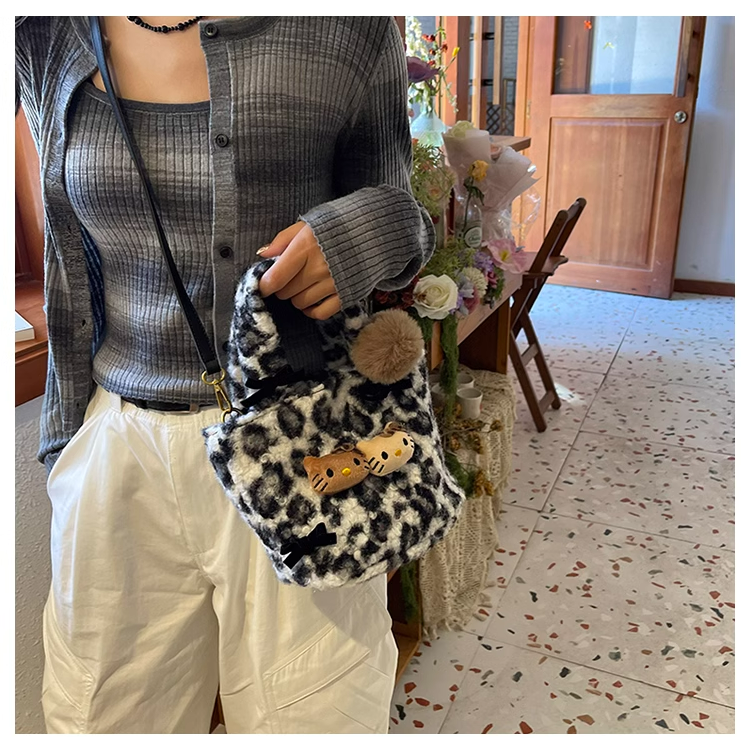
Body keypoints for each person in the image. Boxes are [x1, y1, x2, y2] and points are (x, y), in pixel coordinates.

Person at [15, 15, 434, 734]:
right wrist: (67, 448)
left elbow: (407, 218)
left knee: (315, 717)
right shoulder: (45, 32)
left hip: (302, 446)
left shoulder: (349, 26)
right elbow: (64, 258)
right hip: (118, 449)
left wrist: (357, 235)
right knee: (99, 719)